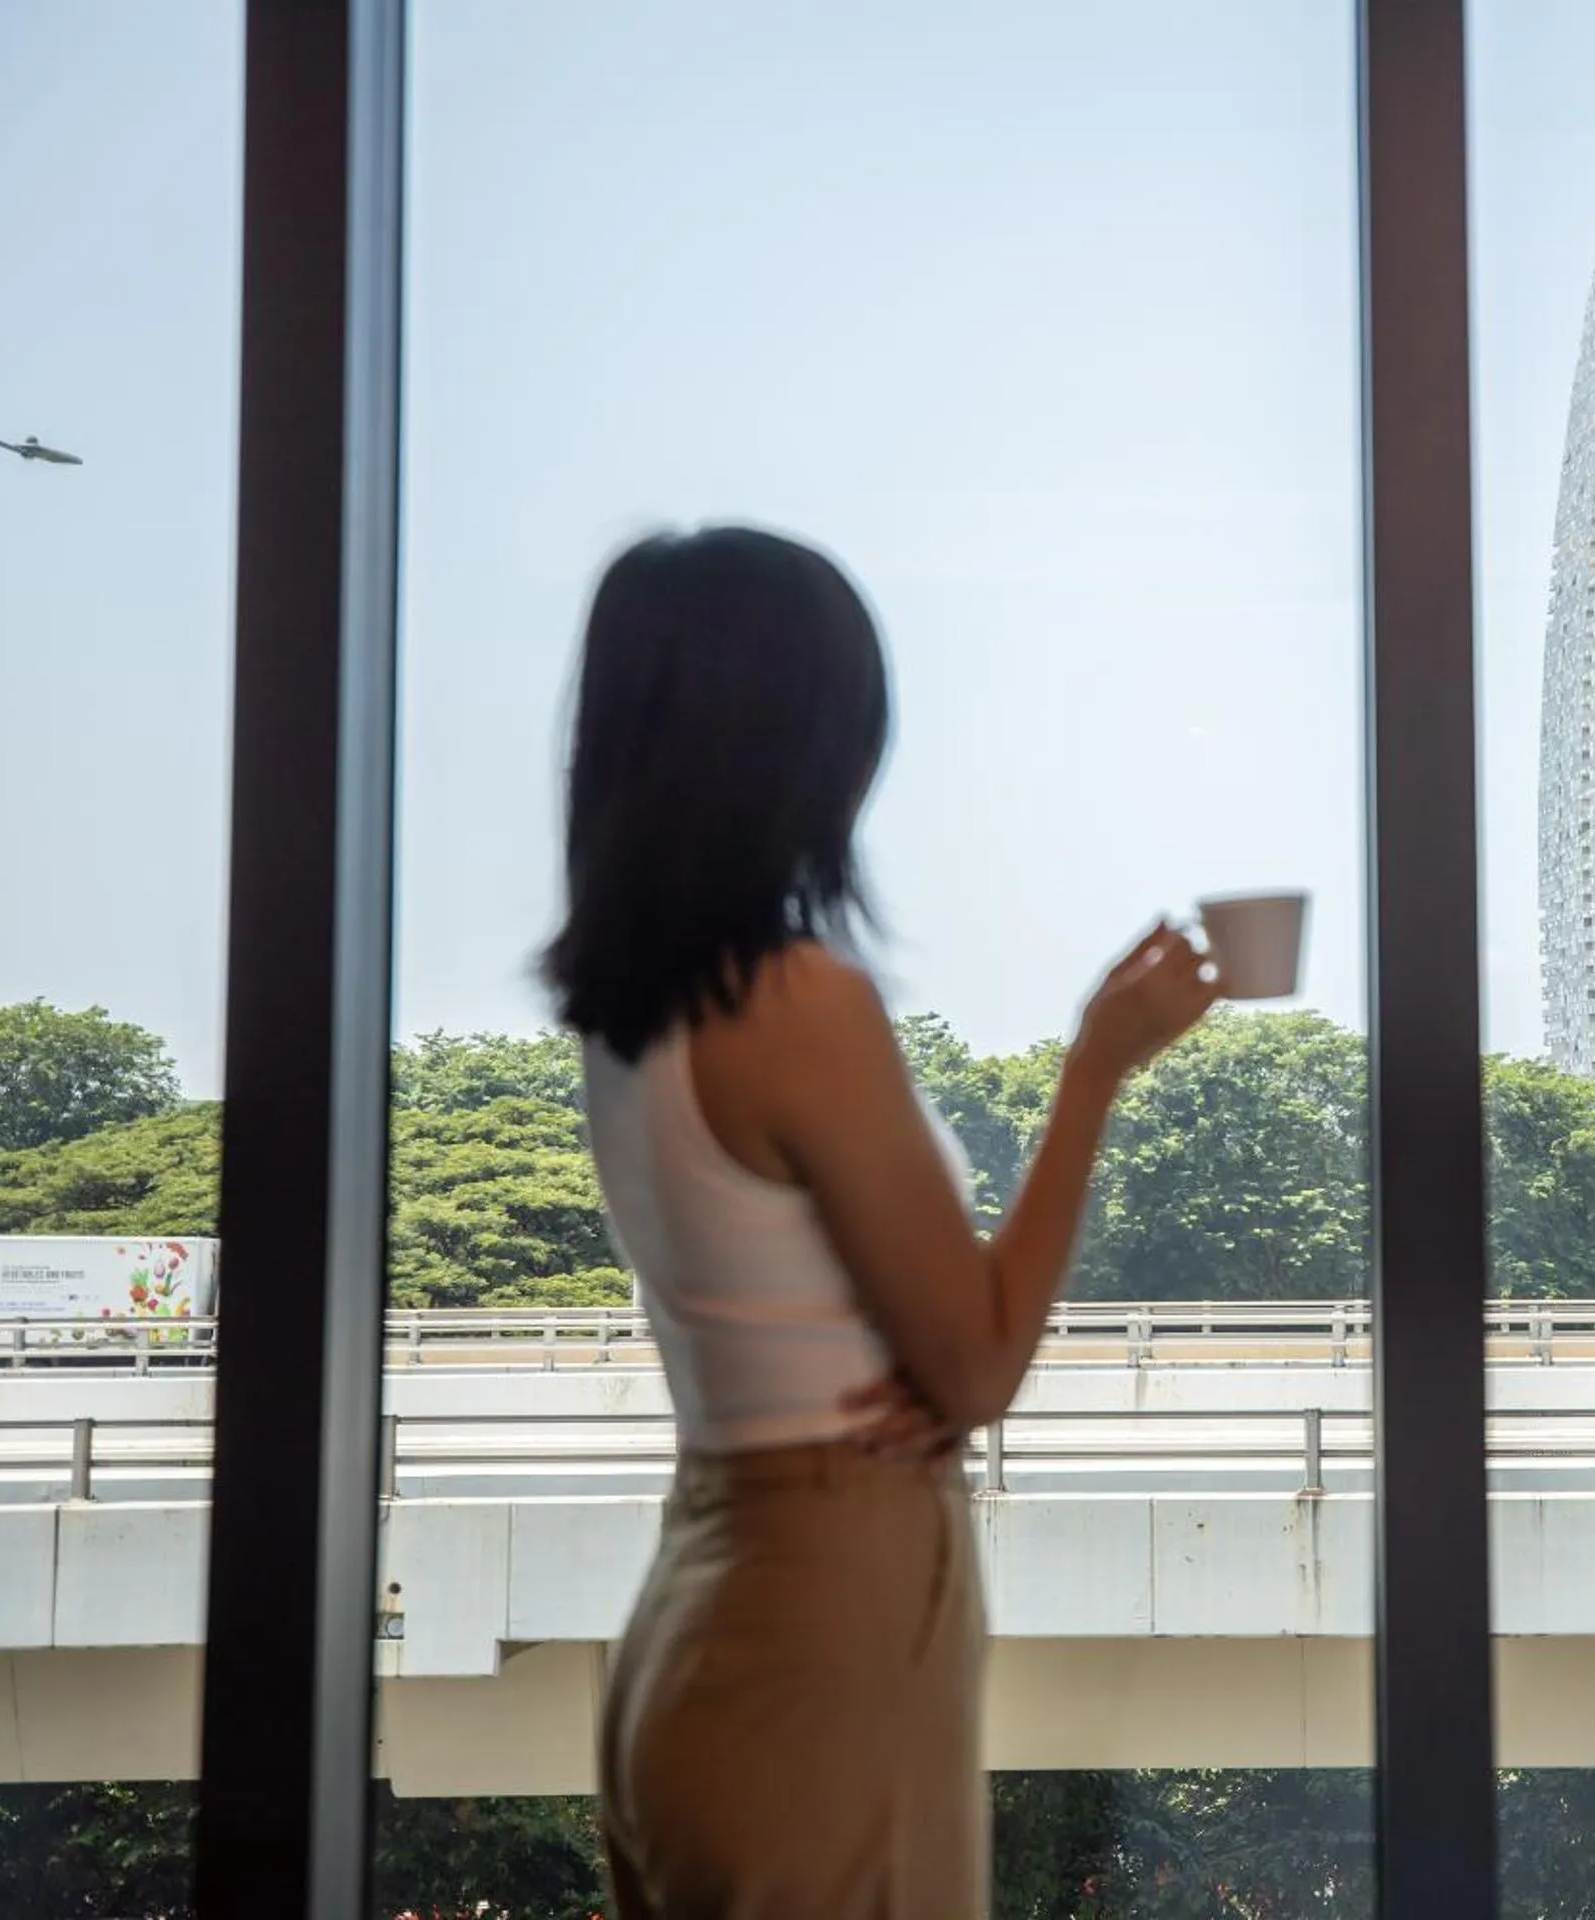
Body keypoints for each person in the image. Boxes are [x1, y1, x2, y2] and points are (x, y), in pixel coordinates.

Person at [543, 525, 1218, 1916]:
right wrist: (1097, 1065)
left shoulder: (629, 1017)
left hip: (704, 1592)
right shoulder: (795, 1004)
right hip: (822, 1611)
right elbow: (975, 1369)